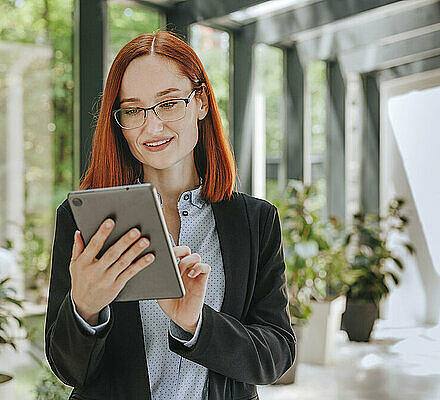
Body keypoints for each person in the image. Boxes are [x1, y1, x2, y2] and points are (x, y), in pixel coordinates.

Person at [44, 31, 295, 400]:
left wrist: (197, 323)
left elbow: (277, 355)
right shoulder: (86, 220)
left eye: (170, 103)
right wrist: (85, 307)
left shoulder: (254, 221)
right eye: (132, 110)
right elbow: (69, 370)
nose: (152, 126)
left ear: (202, 103)